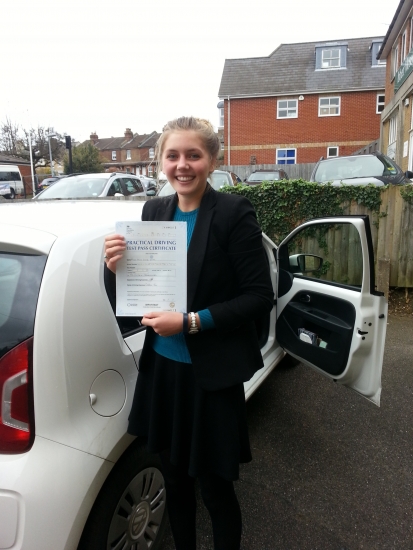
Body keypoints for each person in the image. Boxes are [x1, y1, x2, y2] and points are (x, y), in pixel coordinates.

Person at [104, 116, 273, 550]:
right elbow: (135, 299)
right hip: (164, 375)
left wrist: (191, 321)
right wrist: (115, 269)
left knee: (216, 491)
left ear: (212, 160)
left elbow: (258, 296)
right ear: (161, 161)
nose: (183, 164)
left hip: (211, 380)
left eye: (193, 155)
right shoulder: (153, 212)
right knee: (175, 483)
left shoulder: (234, 213)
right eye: (173, 155)